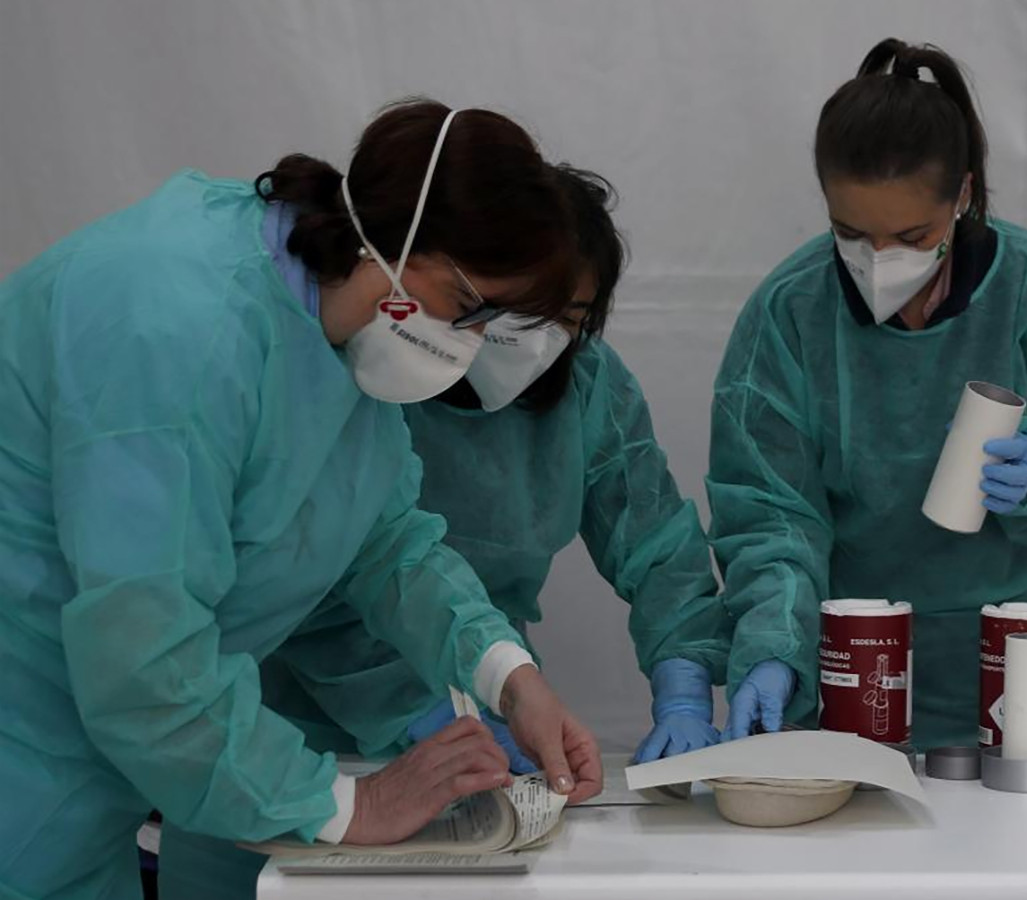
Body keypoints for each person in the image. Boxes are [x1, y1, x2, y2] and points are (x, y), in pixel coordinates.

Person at [0, 98, 602, 900]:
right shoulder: (177, 323)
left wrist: (507, 675)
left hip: (81, 776)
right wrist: (344, 805)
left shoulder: (337, 336)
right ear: (396, 242)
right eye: (468, 308)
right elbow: (142, 650)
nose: (470, 343)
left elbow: (386, 542)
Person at [155, 164, 733, 899]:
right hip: (289, 732)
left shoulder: (587, 386)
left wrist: (681, 681)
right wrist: (419, 713)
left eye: (570, 316)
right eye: (520, 308)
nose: (539, 337)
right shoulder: (371, 370)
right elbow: (332, 581)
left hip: (488, 705)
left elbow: (655, 541)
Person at [709, 39, 1027, 748]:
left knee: (1015, 809)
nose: (879, 261)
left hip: (1007, 652)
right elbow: (767, 513)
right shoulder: (791, 311)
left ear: (963, 195)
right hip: (849, 655)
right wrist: (773, 646)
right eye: (850, 234)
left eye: (911, 236)